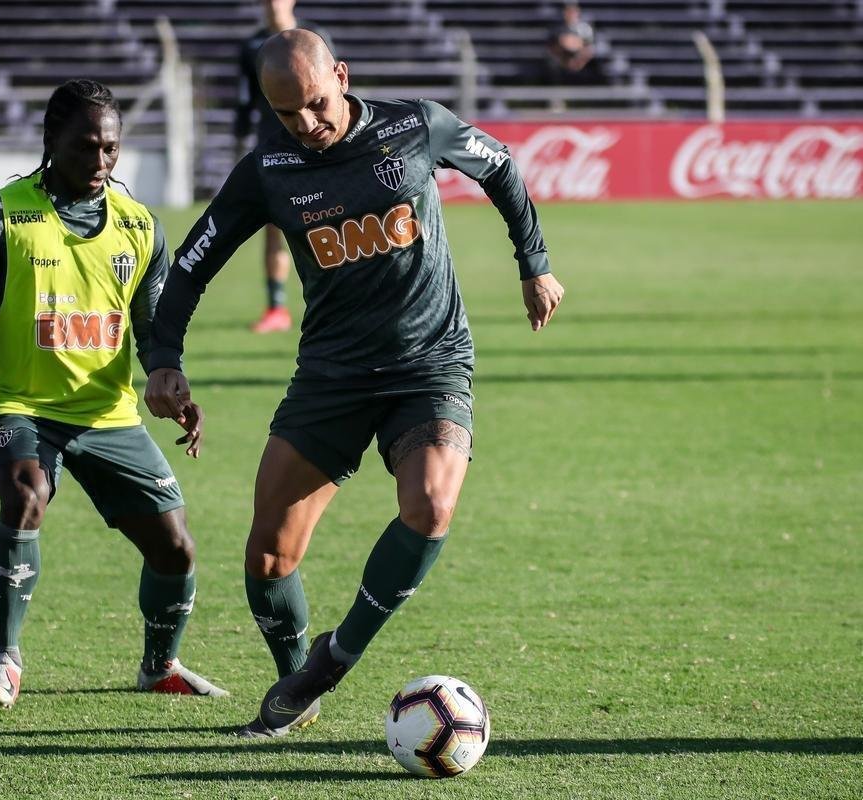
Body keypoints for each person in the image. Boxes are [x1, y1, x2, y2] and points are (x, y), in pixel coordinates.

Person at [146, 30, 563, 737]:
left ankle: (333, 658)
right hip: (331, 377)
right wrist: (164, 358)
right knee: (268, 557)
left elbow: (499, 167)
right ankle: (296, 690)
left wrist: (534, 262)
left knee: (431, 504)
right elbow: (190, 266)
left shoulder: (416, 125)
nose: (306, 123)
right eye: (286, 113)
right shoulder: (268, 170)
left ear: (341, 76)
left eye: (315, 103)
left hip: (429, 364)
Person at [0, 79, 228, 709]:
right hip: (23, 407)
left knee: (175, 547)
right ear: (52, 140)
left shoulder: (139, 226)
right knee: (26, 494)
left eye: (111, 148)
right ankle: (5, 659)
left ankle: (160, 665)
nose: (101, 160)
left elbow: (154, 331)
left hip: (107, 414)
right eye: (86, 146)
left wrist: (170, 379)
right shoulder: (1, 216)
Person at [234, 1, 333, 333]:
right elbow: (245, 99)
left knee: (328, 220)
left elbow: (334, 91)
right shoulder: (252, 46)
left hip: (316, 144)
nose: (272, 4)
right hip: (274, 148)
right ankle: (276, 308)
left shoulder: (315, 37)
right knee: (274, 227)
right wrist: (240, 140)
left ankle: (338, 301)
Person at [542, 2, 605, 86]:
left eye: (573, 11)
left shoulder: (585, 27)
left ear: (578, 12)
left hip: (581, 61)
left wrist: (579, 61)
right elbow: (557, 45)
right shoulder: (557, 27)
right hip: (562, 61)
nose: (571, 14)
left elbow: (589, 47)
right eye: (568, 11)